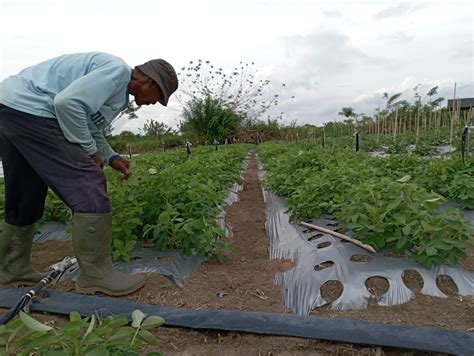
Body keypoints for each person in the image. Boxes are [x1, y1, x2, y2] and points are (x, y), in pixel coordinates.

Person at [0, 52, 178, 296]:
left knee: (26, 188)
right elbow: (66, 104)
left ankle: (12, 268)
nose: (153, 104)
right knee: (89, 182)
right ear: (149, 82)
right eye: (158, 98)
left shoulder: (117, 91)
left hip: (10, 105)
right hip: (33, 109)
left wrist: (111, 157)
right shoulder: (116, 71)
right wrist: (90, 152)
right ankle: (96, 276)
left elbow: (88, 124)